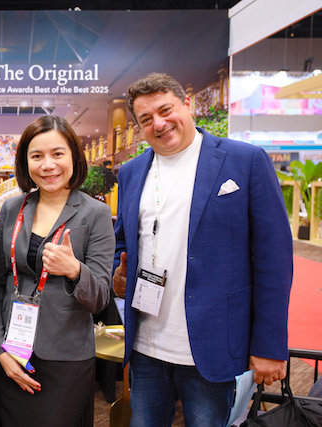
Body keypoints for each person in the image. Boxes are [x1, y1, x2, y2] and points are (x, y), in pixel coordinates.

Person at [112, 72, 293, 426]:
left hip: (212, 345)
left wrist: (269, 346)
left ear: (187, 104)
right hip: (146, 347)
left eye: (165, 110)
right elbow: (123, 242)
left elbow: (274, 260)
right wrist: (118, 275)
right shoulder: (131, 172)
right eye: (146, 119)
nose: (158, 124)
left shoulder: (245, 161)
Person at [0, 115, 114, 427]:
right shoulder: (12, 208)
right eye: (37, 156)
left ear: (74, 157)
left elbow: (100, 298)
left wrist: (74, 270)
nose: (48, 165)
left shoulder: (95, 213)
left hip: (66, 356)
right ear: (25, 162)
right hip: (12, 348)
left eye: (57, 154)